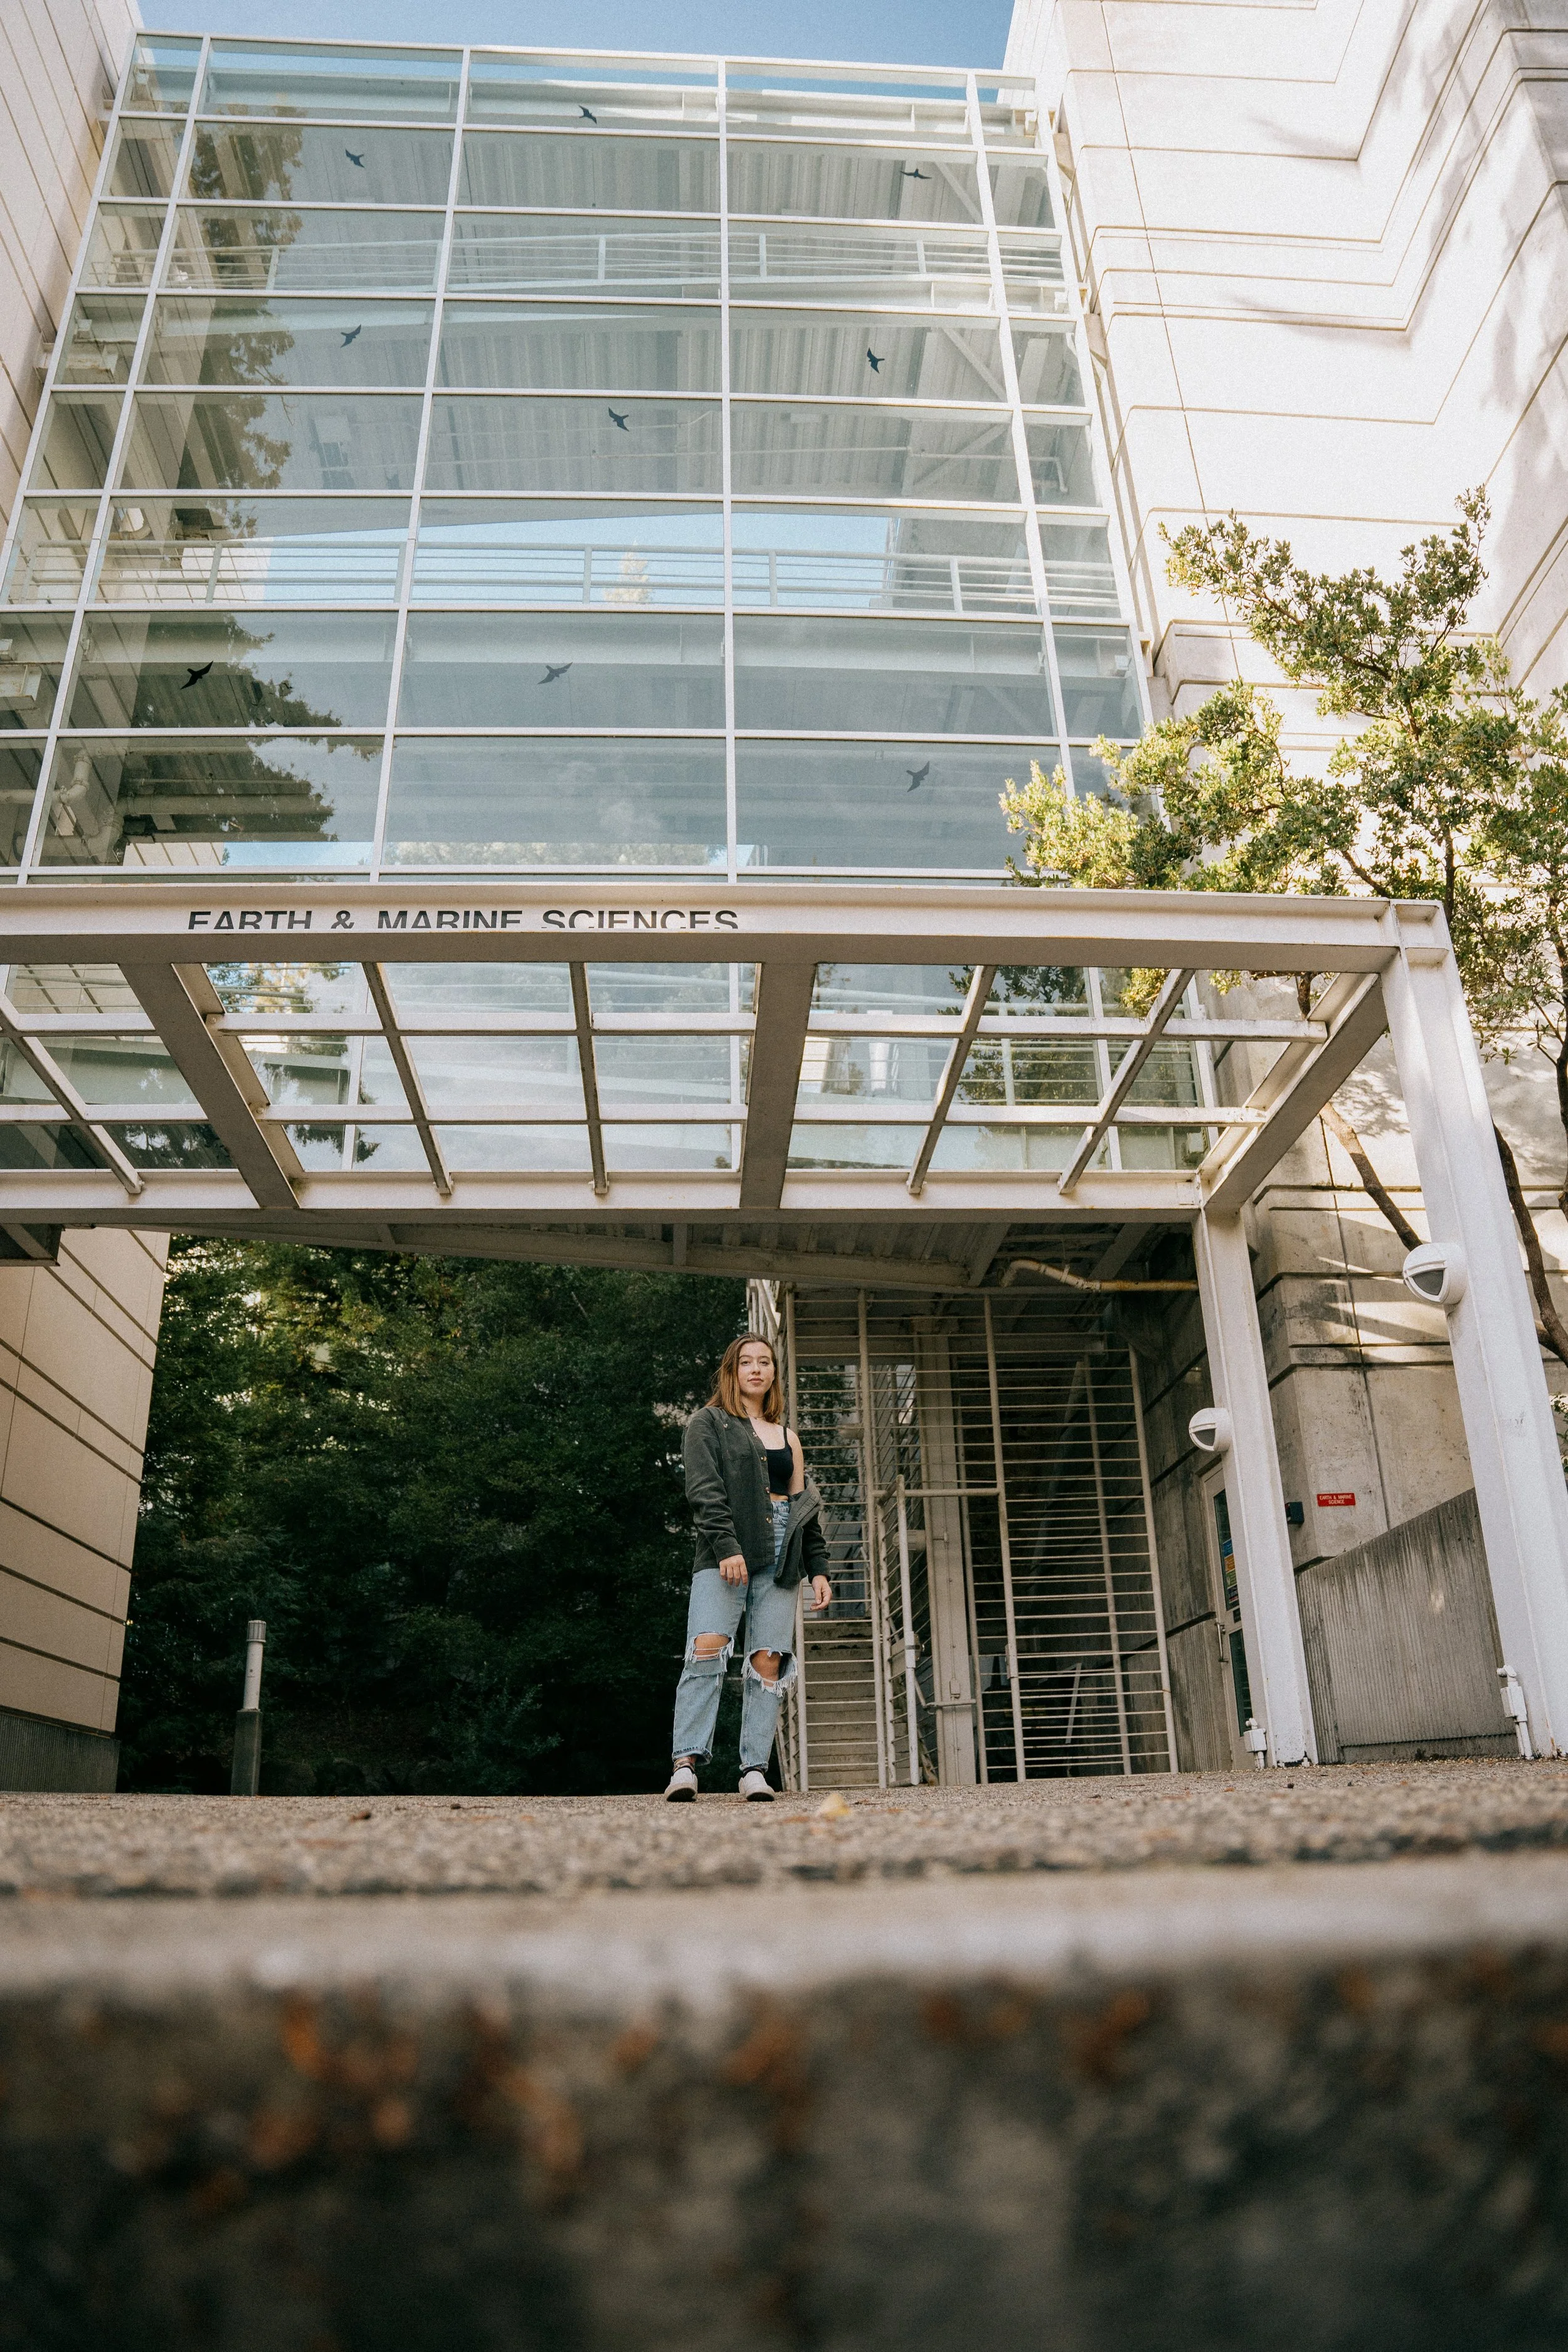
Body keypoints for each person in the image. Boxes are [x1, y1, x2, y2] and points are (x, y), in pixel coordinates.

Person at [665, 1333, 832, 1801]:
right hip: (727, 1551)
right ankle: (686, 1764)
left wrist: (818, 1568)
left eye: (765, 1362)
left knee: (768, 1661)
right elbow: (704, 1492)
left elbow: (803, 1511)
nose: (756, 1369)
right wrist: (726, 1546)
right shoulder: (707, 1423)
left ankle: (754, 1769)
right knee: (707, 1648)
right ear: (732, 1370)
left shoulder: (787, 1438)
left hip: (783, 1554)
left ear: (774, 1374)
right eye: (746, 1362)